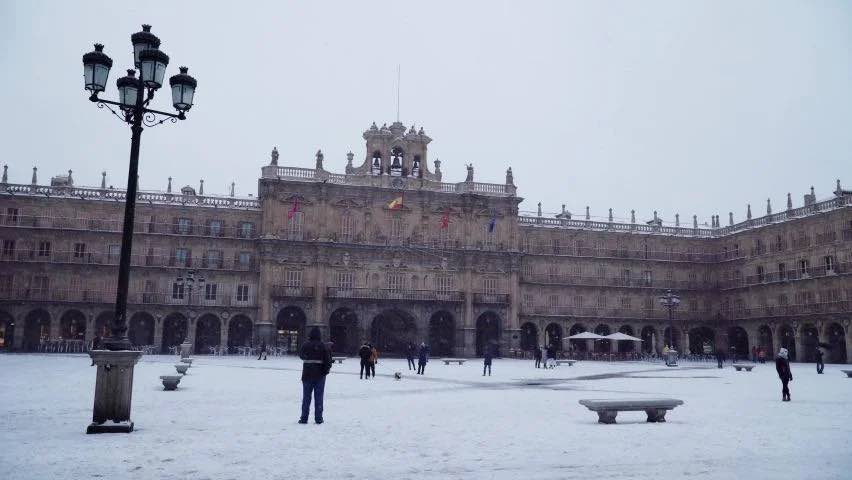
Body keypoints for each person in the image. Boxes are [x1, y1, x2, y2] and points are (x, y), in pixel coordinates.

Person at [299, 327, 333, 424]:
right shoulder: (323, 346)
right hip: (320, 375)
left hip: (307, 374)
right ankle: (318, 418)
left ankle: (304, 418)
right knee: (319, 397)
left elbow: (301, 355)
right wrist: (326, 370)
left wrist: (308, 357)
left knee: (306, 397)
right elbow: (328, 360)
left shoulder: (306, 344)